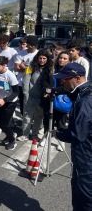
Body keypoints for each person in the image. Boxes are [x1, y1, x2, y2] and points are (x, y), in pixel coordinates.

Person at [53, 63, 92, 210]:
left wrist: (58, 133)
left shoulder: (85, 101)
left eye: (65, 79)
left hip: (86, 158)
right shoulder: (83, 93)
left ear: (77, 78)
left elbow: (78, 134)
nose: (62, 82)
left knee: (85, 198)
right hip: (84, 156)